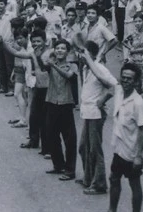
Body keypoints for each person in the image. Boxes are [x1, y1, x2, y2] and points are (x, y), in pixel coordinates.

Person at [76, 40, 117, 195]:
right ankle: (88, 177)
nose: (80, 56)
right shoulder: (86, 69)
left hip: (96, 114)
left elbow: (113, 86)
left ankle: (99, 183)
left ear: (91, 54)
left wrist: (103, 100)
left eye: (83, 53)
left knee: (95, 149)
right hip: (87, 113)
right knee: (83, 147)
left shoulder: (99, 68)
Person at [108, 63, 143, 212]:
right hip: (119, 148)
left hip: (131, 152)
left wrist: (138, 156)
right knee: (114, 178)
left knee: (134, 183)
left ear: (136, 81)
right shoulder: (119, 91)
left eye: (129, 79)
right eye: (123, 77)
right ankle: (112, 210)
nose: (125, 81)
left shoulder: (138, 103)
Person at [38, 39, 78, 181]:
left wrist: (53, 65)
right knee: (52, 135)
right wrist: (49, 48)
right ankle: (58, 165)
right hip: (52, 101)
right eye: (57, 48)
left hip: (66, 103)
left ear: (68, 51)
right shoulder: (51, 63)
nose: (60, 50)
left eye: (63, 48)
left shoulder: (72, 65)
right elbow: (43, 61)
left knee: (69, 138)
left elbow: (68, 76)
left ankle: (70, 170)